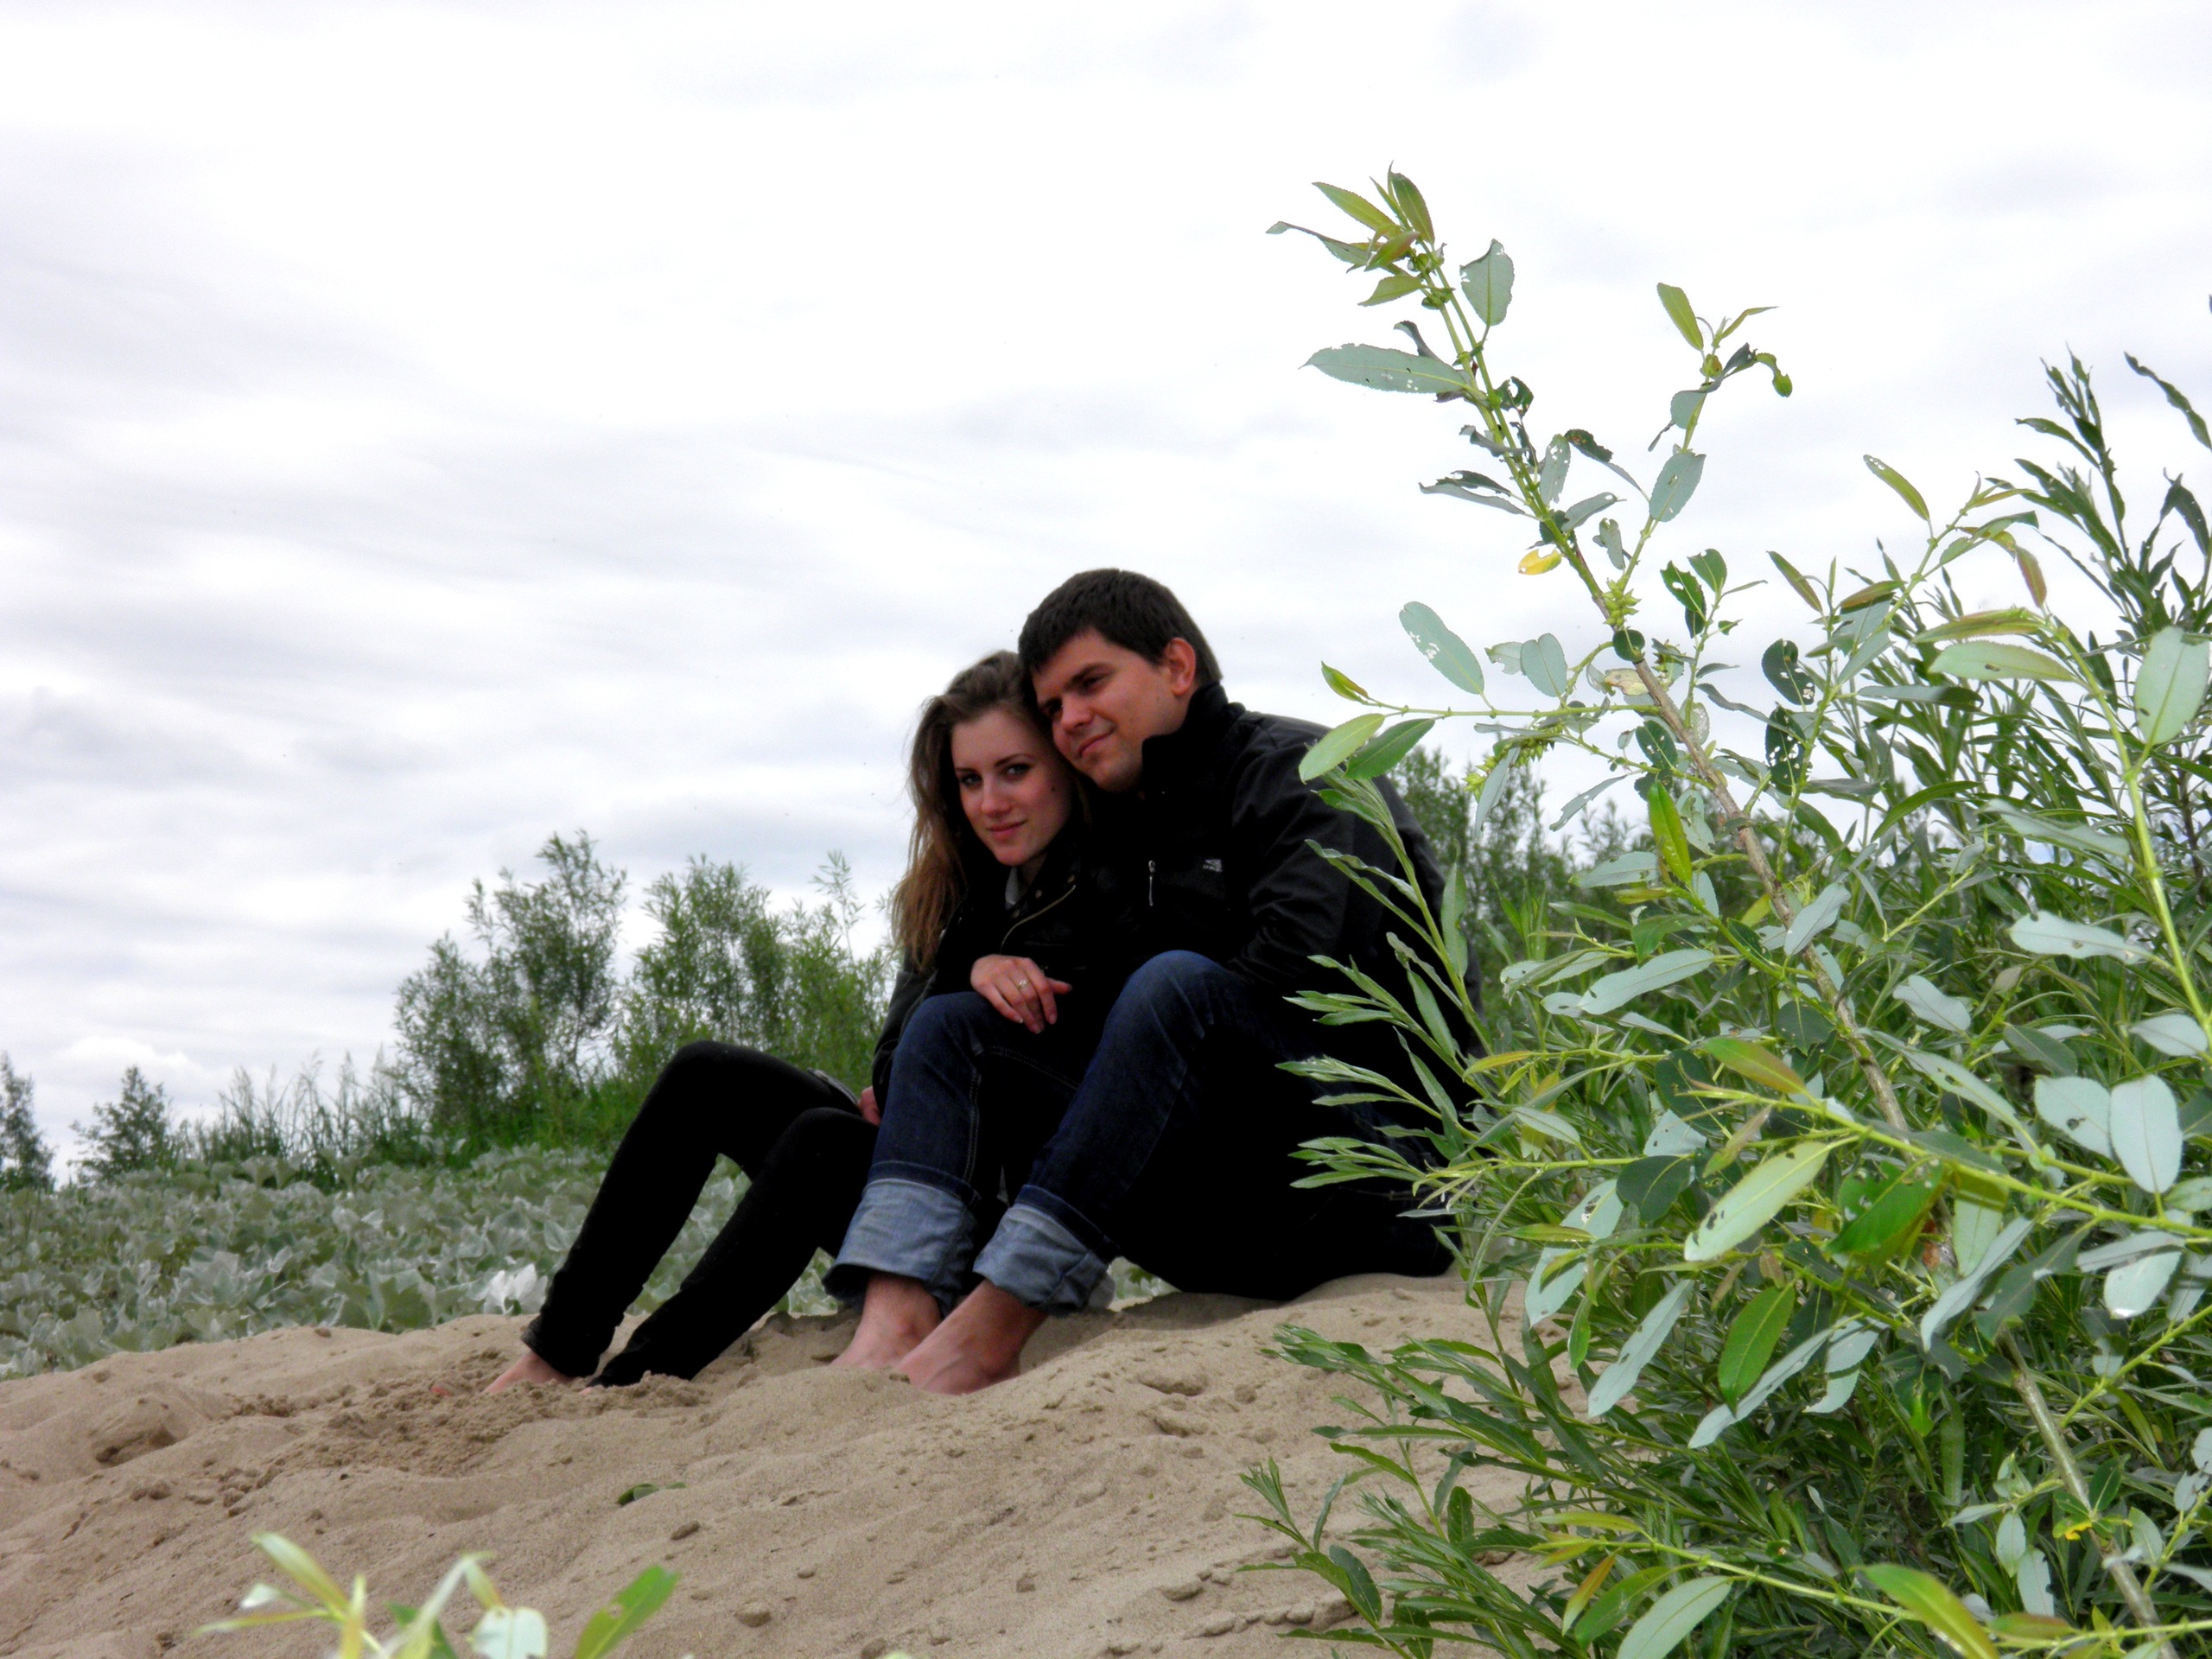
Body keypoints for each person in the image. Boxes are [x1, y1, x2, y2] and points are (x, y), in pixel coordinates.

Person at [831, 569, 1461, 1395]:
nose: (1070, 718)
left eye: (1091, 683)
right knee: (956, 1029)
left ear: (1177, 666)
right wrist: (978, 969)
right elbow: (1092, 1022)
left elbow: (1294, 983)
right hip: (1224, 1224)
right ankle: (898, 1317)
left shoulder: (1303, 773)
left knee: (1175, 990)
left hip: (1378, 1190)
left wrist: (1134, 1032)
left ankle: (990, 1331)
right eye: (1052, 706)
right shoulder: (1126, 829)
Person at [486, 651, 1122, 1392]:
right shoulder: (957, 889)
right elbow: (895, 1065)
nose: (991, 803)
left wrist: (956, 1030)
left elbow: (1066, 1101)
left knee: (824, 1141)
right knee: (705, 1074)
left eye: (1015, 771)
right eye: (970, 780)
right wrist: (965, 971)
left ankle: (637, 1378)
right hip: (913, 1175)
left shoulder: (1110, 887)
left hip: (1006, 1230)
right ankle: (557, 1352)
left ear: (1062, 765)